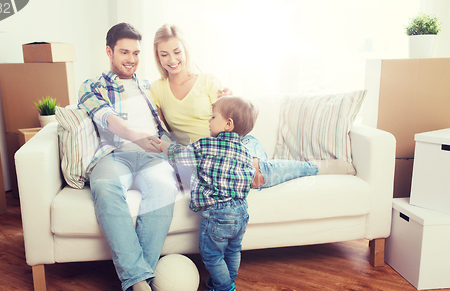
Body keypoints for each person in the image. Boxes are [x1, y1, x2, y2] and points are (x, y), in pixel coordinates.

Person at [150, 24, 354, 190]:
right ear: (158, 57)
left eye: (177, 52)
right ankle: (311, 167)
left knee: (253, 170)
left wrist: (230, 98)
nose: (172, 59)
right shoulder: (157, 89)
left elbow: (232, 119)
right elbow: (161, 132)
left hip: (237, 145)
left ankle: (315, 167)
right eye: (164, 54)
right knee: (252, 176)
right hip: (203, 155)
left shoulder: (207, 81)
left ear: (185, 51)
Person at [78, 22, 178, 291]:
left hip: (153, 157)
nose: (131, 59)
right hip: (114, 155)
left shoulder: (149, 86)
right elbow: (107, 118)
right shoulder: (92, 86)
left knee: (164, 188)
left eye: (136, 52)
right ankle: (141, 287)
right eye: (124, 52)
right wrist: (137, 137)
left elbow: (174, 115)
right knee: (105, 188)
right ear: (109, 51)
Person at [160, 96, 258, 291]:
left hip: (218, 213)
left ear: (228, 124)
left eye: (213, 117)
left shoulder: (206, 145)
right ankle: (227, 280)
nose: (209, 121)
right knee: (233, 250)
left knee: (212, 255)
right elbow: (249, 177)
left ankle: (224, 290)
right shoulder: (245, 152)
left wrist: (164, 147)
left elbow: (181, 157)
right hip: (241, 212)